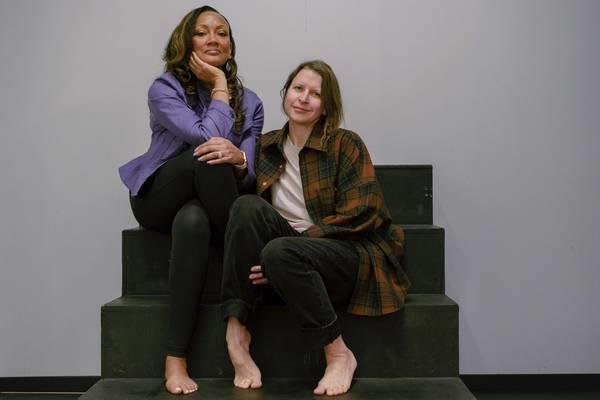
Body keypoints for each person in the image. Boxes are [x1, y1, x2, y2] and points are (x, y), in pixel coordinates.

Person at [220, 60, 410, 396]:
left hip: (344, 255)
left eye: (315, 94)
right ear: (285, 94)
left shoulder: (345, 144)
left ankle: (338, 353)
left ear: (326, 107)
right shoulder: (265, 147)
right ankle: (236, 333)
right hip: (286, 257)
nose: (304, 98)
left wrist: (296, 246)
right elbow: (245, 220)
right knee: (245, 206)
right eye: (298, 89)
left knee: (281, 252)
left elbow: (364, 211)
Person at [118, 6, 263, 395]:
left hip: (206, 205)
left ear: (231, 45)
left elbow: (248, 172)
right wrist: (218, 83)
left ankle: (175, 359)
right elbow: (204, 136)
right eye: (202, 33)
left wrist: (242, 158)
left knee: (194, 223)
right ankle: (248, 285)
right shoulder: (164, 89)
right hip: (160, 195)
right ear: (185, 43)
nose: (213, 39)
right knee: (210, 156)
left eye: (222, 33)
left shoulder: (250, 101)